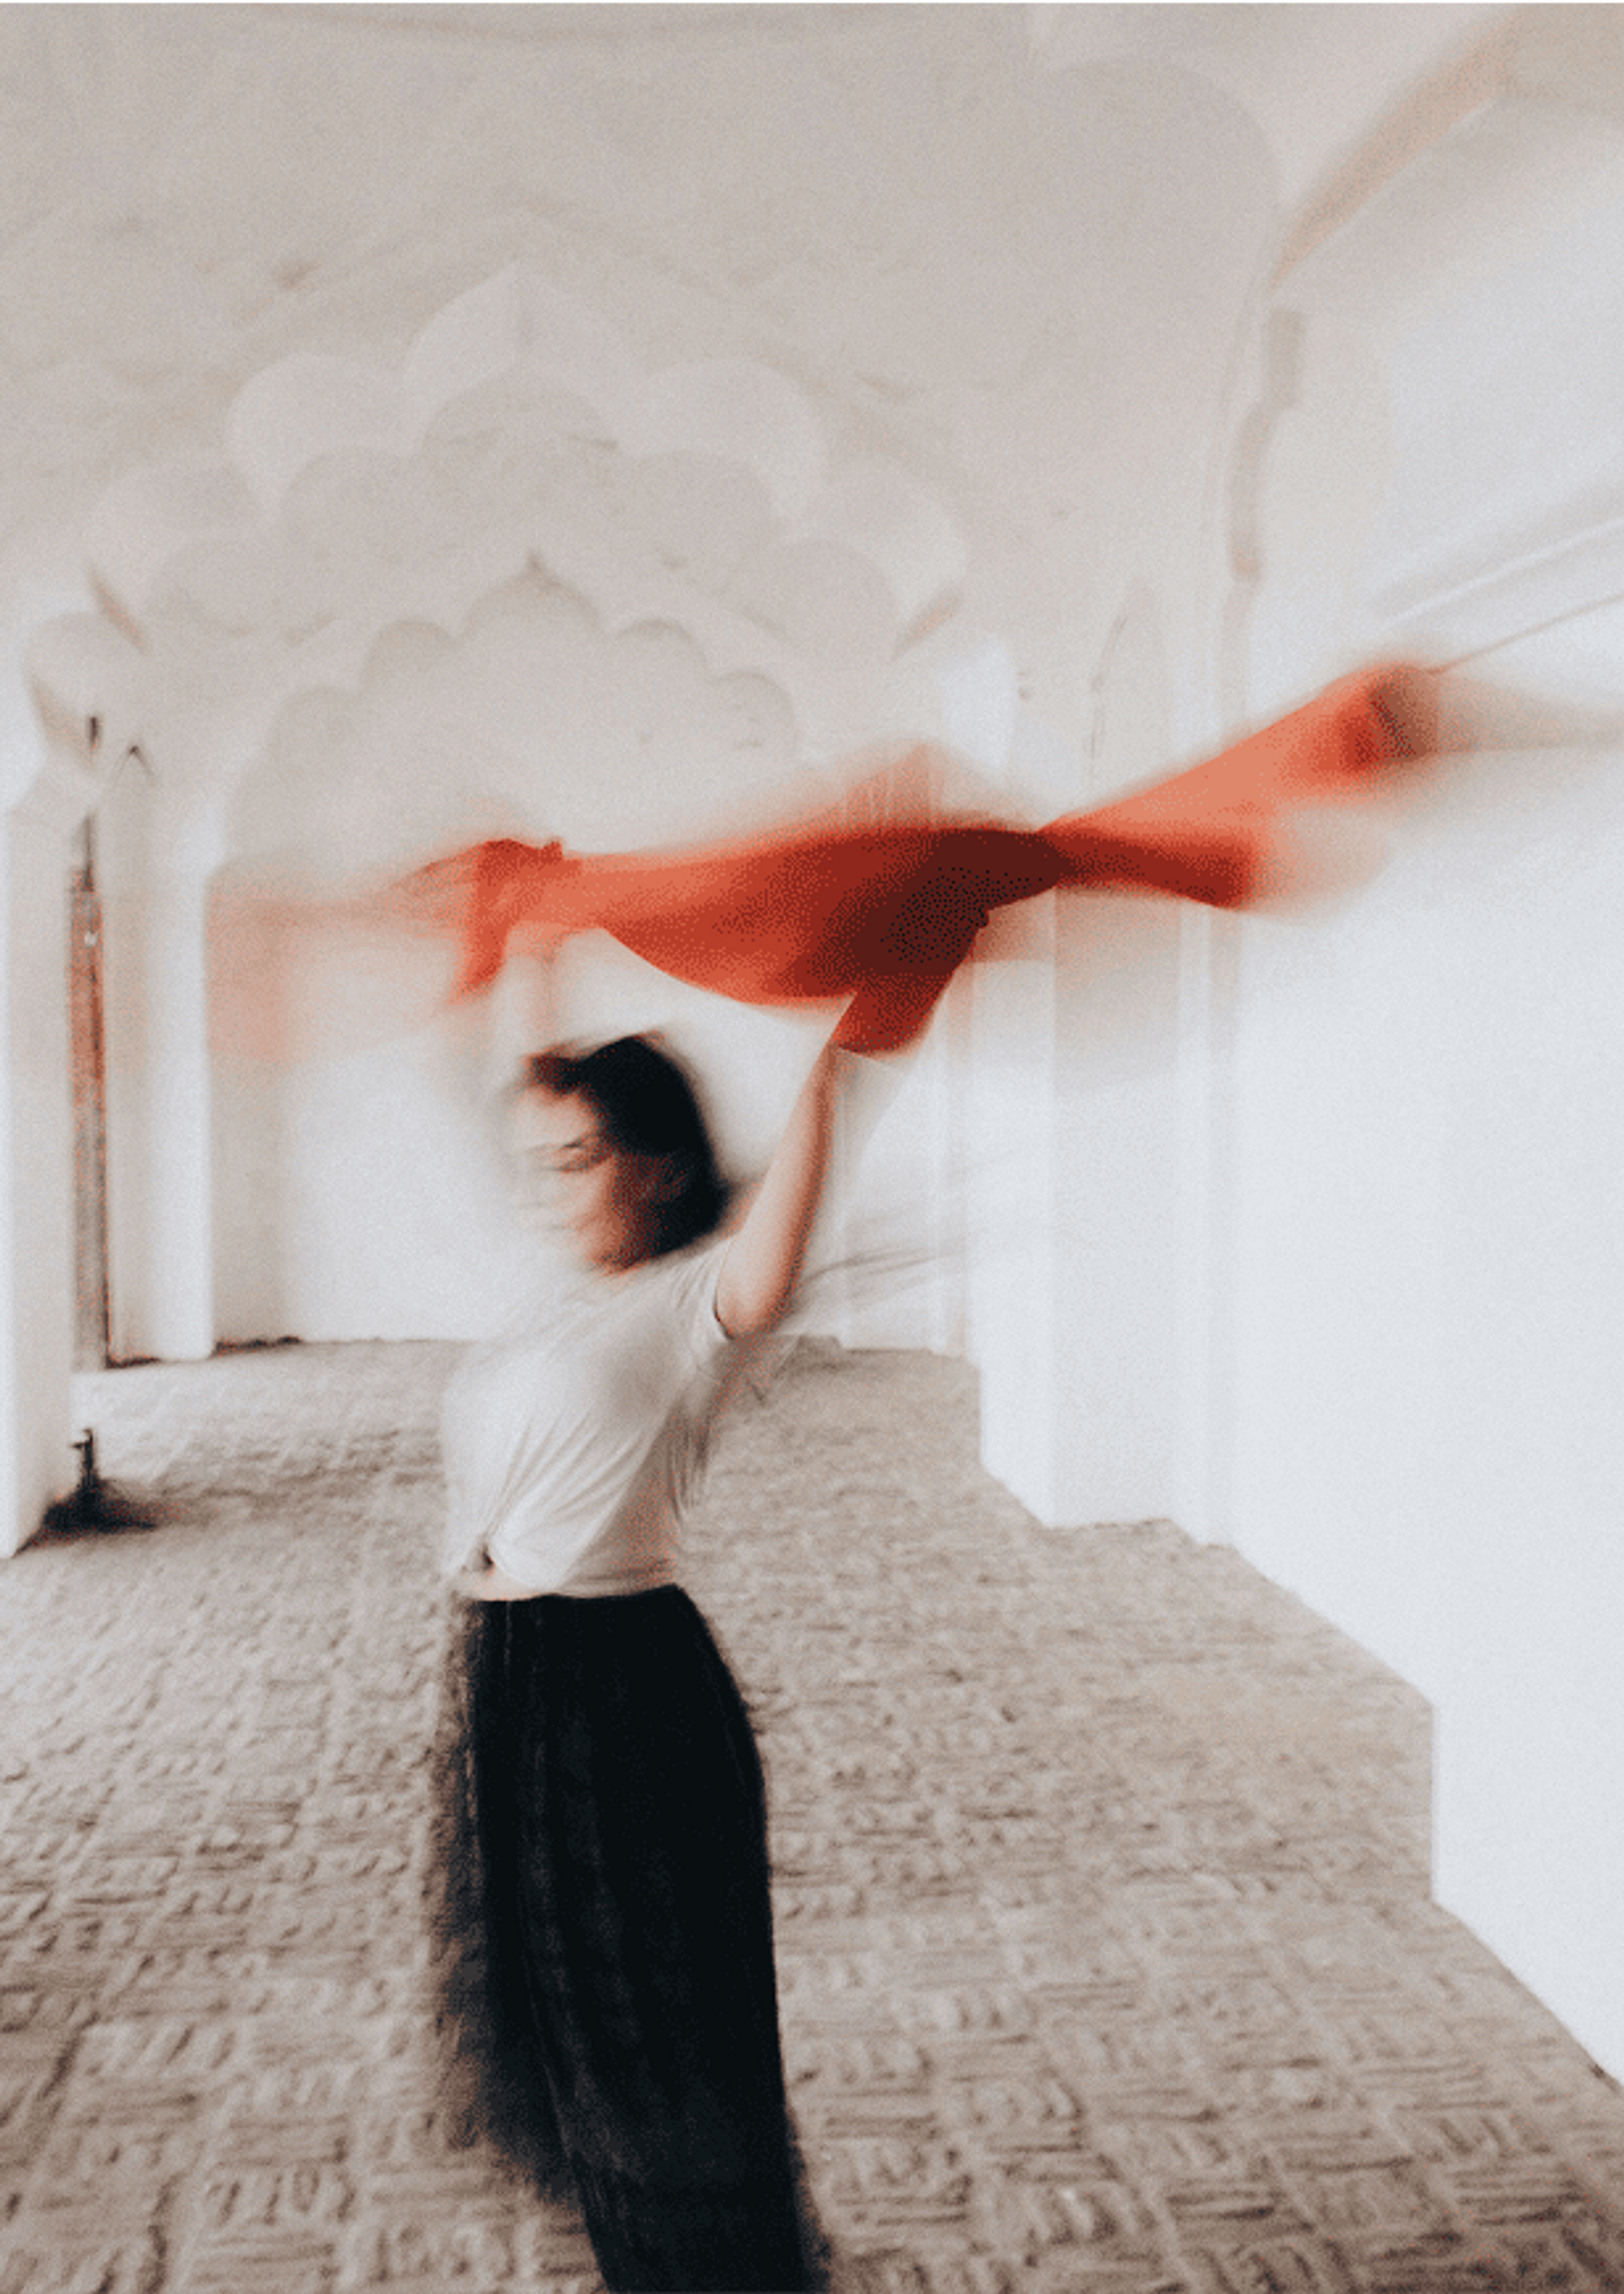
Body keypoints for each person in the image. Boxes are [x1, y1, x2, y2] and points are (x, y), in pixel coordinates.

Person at [433, 1025, 852, 2294]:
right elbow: (496, 1101)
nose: (544, 1188)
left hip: (619, 1689)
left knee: (659, 2037)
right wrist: (506, 956)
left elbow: (785, 1225)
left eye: (575, 1158)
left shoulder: (699, 1303)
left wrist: (845, 1048)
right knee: (578, 2032)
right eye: (535, 1161)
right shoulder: (564, 1296)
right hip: (514, 1675)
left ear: (659, 1167)